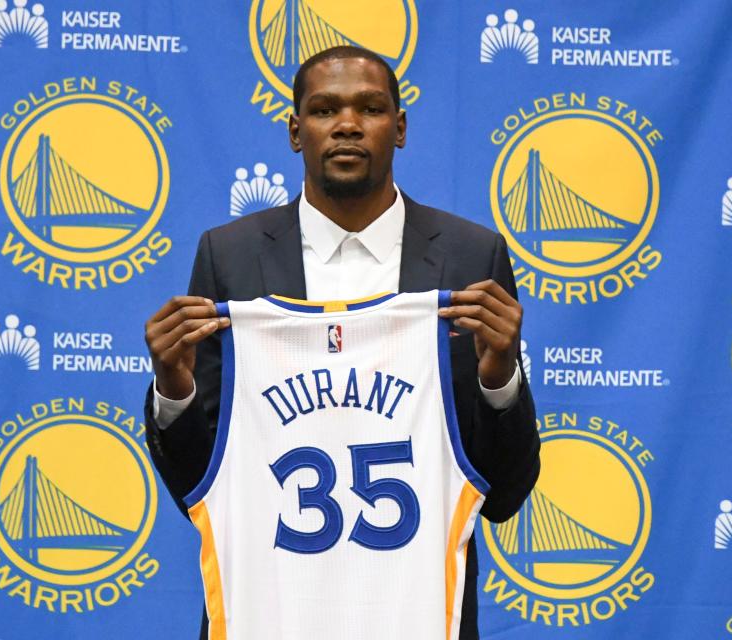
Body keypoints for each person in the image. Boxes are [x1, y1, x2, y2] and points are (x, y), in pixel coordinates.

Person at [143, 45, 539, 640]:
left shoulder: (469, 257)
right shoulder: (229, 257)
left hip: (421, 616)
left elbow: (503, 494)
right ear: (296, 132)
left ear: (399, 128)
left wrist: (499, 382)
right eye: (325, 109)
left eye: (371, 108)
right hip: (269, 613)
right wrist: (173, 392)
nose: (348, 125)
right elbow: (203, 488)